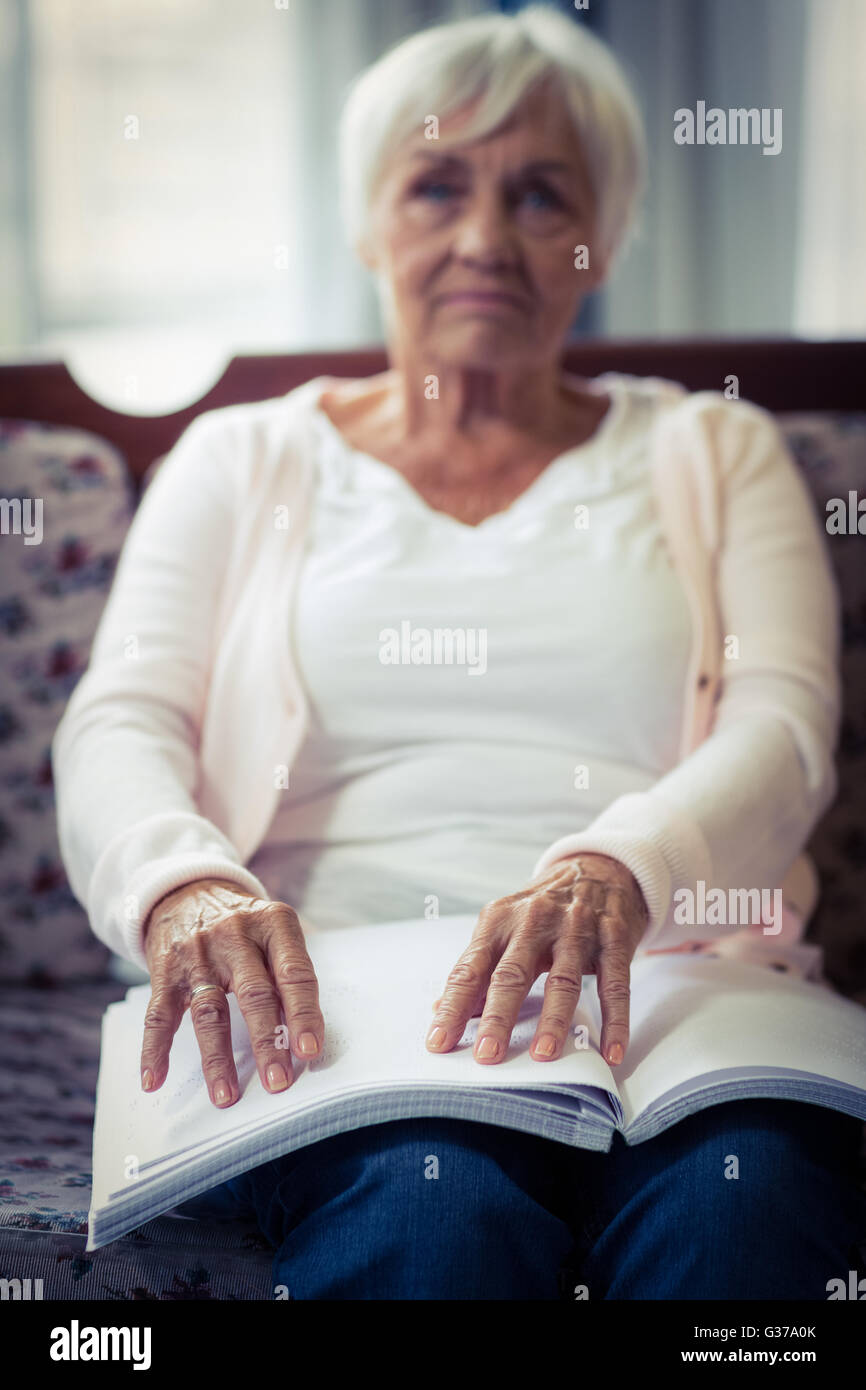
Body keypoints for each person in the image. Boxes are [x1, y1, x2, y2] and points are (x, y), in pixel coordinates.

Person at [52, 5, 865, 1300]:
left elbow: (781, 725)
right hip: (345, 1001)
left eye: (541, 195)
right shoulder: (244, 455)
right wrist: (178, 884)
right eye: (436, 185)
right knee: (434, 1220)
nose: (484, 239)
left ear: (598, 236)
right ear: (368, 220)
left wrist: (621, 866)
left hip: (676, 995)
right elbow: (121, 719)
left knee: (744, 1212)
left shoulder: (715, 447)